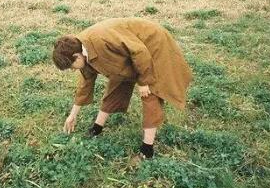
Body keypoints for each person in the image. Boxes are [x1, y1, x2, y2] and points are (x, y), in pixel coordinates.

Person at [52, 18, 193, 159]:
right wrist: (73, 115)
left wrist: (144, 81)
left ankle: (147, 150)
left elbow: (140, 52)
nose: (72, 70)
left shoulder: (100, 41)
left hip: (152, 43)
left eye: (71, 67)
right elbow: (86, 83)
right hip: (132, 50)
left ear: (77, 56)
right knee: (118, 79)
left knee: (150, 93)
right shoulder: (81, 49)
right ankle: (96, 128)